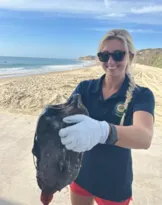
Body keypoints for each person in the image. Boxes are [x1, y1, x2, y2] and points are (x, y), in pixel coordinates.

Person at [58, 29, 155, 205]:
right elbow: (64, 121)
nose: (111, 62)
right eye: (104, 56)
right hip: (81, 175)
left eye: (118, 55)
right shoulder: (85, 89)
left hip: (114, 184)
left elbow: (144, 137)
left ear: (130, 57)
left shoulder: (141, 95)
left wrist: (103, 131)